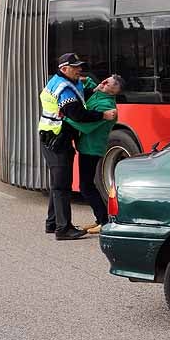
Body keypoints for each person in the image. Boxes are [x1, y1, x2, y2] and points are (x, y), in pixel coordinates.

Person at [38, 53, 117, 240]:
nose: (79, 69)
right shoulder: (63, 88)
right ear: (64, 69)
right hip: (56, 139)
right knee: (62, 186)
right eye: (75, 67)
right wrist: (103, 116)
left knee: (58, 183)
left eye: (80, 66)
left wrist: (94, 88)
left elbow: (81, 97)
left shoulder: (71, 82)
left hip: (59, 139)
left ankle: (52, 223)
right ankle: (63, 229)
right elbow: (77, 114)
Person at [65, 75, 124, 234]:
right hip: (86, 147)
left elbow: (86, 126)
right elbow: (93, 85)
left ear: (115, 90)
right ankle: (101, 219)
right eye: (105, 80)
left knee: (86, 186)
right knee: (88, 185)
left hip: (91, 149)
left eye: (108, 83)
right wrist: (86, 80)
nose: (103, 83)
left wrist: (65, 117)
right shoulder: (101, 92)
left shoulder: (106, 106)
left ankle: (104, 220)